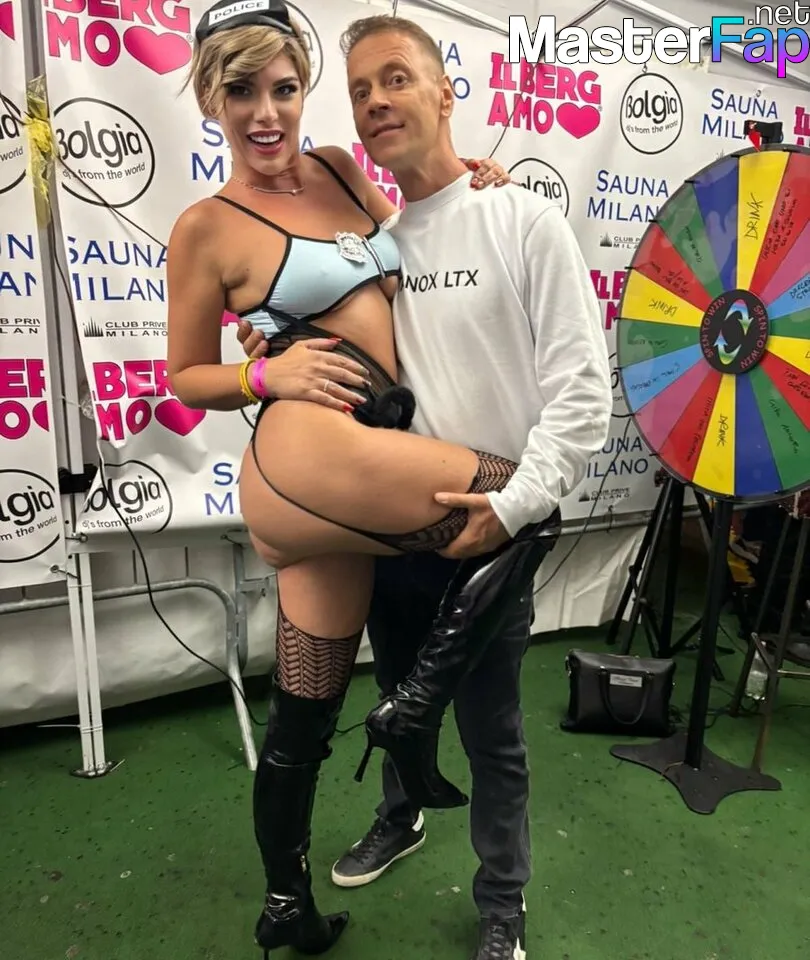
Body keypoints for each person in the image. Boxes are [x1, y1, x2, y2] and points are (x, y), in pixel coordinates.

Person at [169, 2, 611, 957]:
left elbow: (411, 234)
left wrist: (480, 180)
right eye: (240, 91)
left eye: (285, 87)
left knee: (317, 704)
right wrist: (264, 373)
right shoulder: (205, 226)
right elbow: (185, 374)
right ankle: (407, 734)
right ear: (209, 98)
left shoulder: (343, 173)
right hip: (317, 460)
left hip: (371, 486)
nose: (265, 112)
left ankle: (301, 905)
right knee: (521, 502)